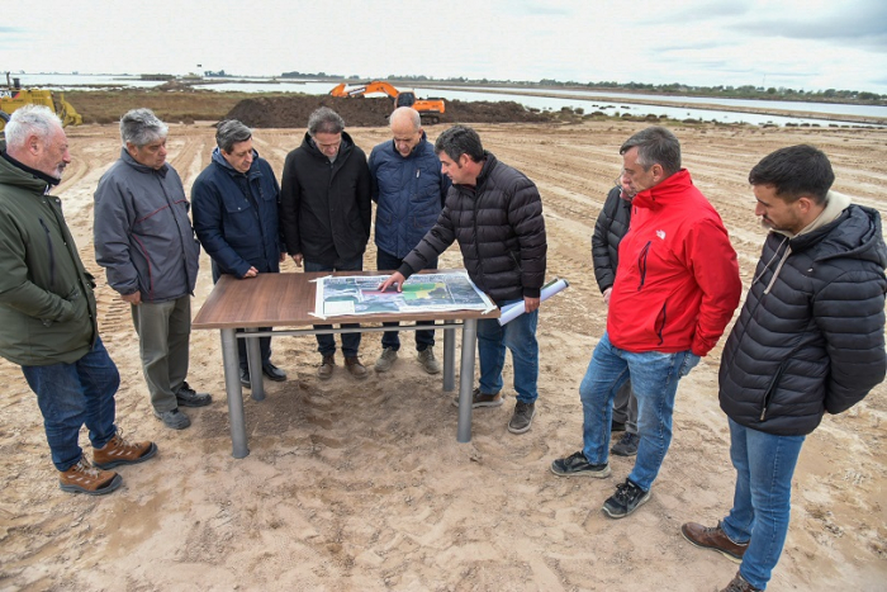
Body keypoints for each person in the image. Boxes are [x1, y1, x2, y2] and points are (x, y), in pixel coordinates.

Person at [681, 145, 887, 592]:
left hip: (782, 406)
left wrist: (806, 400)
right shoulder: (787, 233)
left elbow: (866, 364)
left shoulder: (847, 271)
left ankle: (753, 580)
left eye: (766, 203)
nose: (757, 212)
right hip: (750, 387)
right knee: (744, 469)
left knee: (770, 499)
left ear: (804, 205)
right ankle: (735, 534)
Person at [551, 126, 742, 518]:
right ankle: (594, 457)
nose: (624, 179)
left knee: (653, 423)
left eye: (630, 172)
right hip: (618, 333)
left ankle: (639, 482)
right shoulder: (641, 202)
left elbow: (723, 293)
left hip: (660, 347)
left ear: (657, 171)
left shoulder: (697, 220)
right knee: (592, 392)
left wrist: (696, 348)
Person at [0, 105, 157, 495]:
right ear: (33, 145)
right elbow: (9, 285)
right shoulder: (5, 202)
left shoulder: (33, 190)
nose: (69, 157)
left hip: (73, 322)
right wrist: (66, 309)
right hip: (43, 334)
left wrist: (81, 290)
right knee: (64, 405)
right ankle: (70, 468)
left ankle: (105, 445)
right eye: (62, 147)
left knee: (104, 379)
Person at [379, 125, 547, 434]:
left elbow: (534, 244)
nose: (443, 171)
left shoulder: (515, 187)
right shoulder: (458, 191)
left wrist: (531, 290)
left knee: (521, 345)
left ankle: (526, 401)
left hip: (516, 289)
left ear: (466, 160)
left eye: (445, 164)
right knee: (488, 339)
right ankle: (490, 390)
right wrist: (404, 270)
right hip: (483, 287)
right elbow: (440, 234)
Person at [94, 108, 211, 431]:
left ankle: (177, 387)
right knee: (155, 349)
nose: (163, 152)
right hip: (149, 285)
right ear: (132, 148)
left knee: (178, 338)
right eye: (153, 148)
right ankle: (163, 402)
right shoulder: (115, 183)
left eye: (164, 144)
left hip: (178, 277)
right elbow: (109, 242)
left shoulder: (167, 172)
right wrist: (126, 284)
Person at [191, 119, 287, 388]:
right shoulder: (207, 184)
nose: (249, 158)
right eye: (242, 154)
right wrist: (236, 265)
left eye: (251, 151)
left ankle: (263, 360)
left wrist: (280, 244)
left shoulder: (262, 167)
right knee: (242, 323)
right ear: (224, 153)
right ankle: (245, 367)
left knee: (266, 316)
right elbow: (207, 232)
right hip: (236, 269)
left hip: (267, 260)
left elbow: (275, 208)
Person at [279, 106, 372, 380]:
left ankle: (352, 355)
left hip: (349, 246)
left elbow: (363, 203)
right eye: (324, 145)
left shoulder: (355, 157)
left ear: (342, 135)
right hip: (314, 246)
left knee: (352, 304)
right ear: (312, 138)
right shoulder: (295, 160)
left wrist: (361, 238)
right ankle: (327, 355)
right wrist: (295, 246)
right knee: (321, 306)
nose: (332, 150)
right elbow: (289, 206)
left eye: (335, 144)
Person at [368, 107, 449, 375]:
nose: (402, 145)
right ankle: (389, 346)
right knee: (387, 295)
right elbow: (374, 192)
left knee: (426, 297)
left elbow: (447, 198)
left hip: (424, 243)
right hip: (389, 240)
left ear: (420, 133)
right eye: (397, 139)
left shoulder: (437, 158)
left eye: (408, 140)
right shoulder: (379, 155)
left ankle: (425, 348)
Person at [591, 178, 639, 457]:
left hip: (647, 304)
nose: (624, 181)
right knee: (621, 355)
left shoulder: (666, 209)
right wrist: (608, 284)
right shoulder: (617, 196)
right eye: (623, 172)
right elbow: (599, 238)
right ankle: (619, 417)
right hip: (619, 298)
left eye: (632, 175)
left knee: (641, 365)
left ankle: (636, 430)